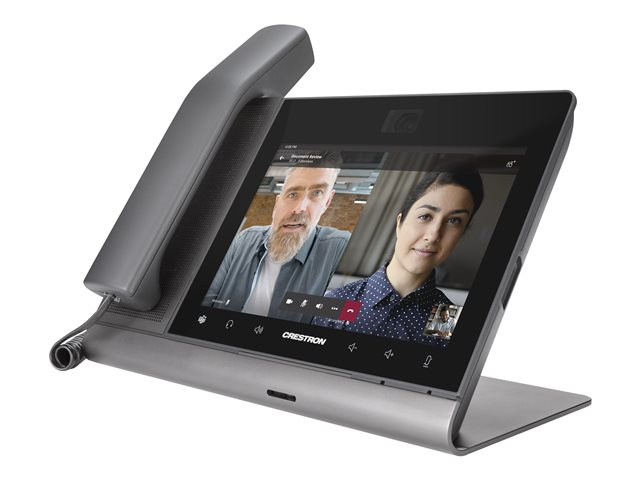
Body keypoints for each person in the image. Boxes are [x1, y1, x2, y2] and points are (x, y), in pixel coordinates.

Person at [312, 165, 483, 344]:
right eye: (425, 216)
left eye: (454, 221)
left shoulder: (445, 320)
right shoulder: (339, 300)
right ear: (400, 223)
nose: (433, 235)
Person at [202, 165, 350, 323]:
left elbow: (348, 316)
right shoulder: (244, 239)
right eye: (293, 194)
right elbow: (206, 298)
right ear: (277, 202)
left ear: (327, 202)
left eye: (317, 193)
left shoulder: (341, 248)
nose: (299, 209)